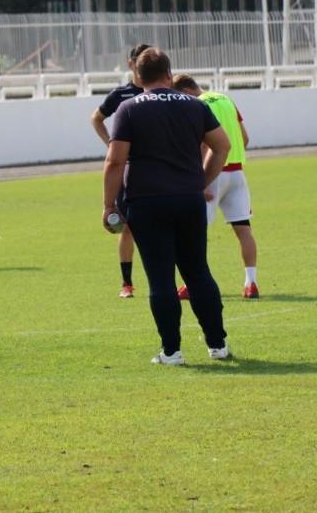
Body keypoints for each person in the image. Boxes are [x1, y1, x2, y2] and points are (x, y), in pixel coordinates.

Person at [102, 47, 232, 365]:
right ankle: (217, 345)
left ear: (137, 76)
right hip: (188, 199)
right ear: (169, 73)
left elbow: (115, 161)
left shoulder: (128, 109)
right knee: (197, 270)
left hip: (146, 202)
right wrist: (200, 182)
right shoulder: (194, 104)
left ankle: (172, 351)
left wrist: (108, 205)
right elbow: (222, 146)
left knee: (160, 276)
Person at [172, 74, 259, 299]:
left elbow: (203, 144)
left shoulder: (196, 105)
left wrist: (200, 180)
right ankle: (251, 283)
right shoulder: (226, 99)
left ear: (185, 92)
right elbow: (244, 138)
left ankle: (192, 284)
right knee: (244, 230)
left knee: (195, 231)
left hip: (212, 174)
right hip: (237, 173)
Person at [91, 44, 147, 298]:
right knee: (126, 226)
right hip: (127, 169)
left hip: (153, 167)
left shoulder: (161, 90)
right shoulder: (122, 94)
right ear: (131, 65)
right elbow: (96, 118)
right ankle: (127, 283)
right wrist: (112, 145)